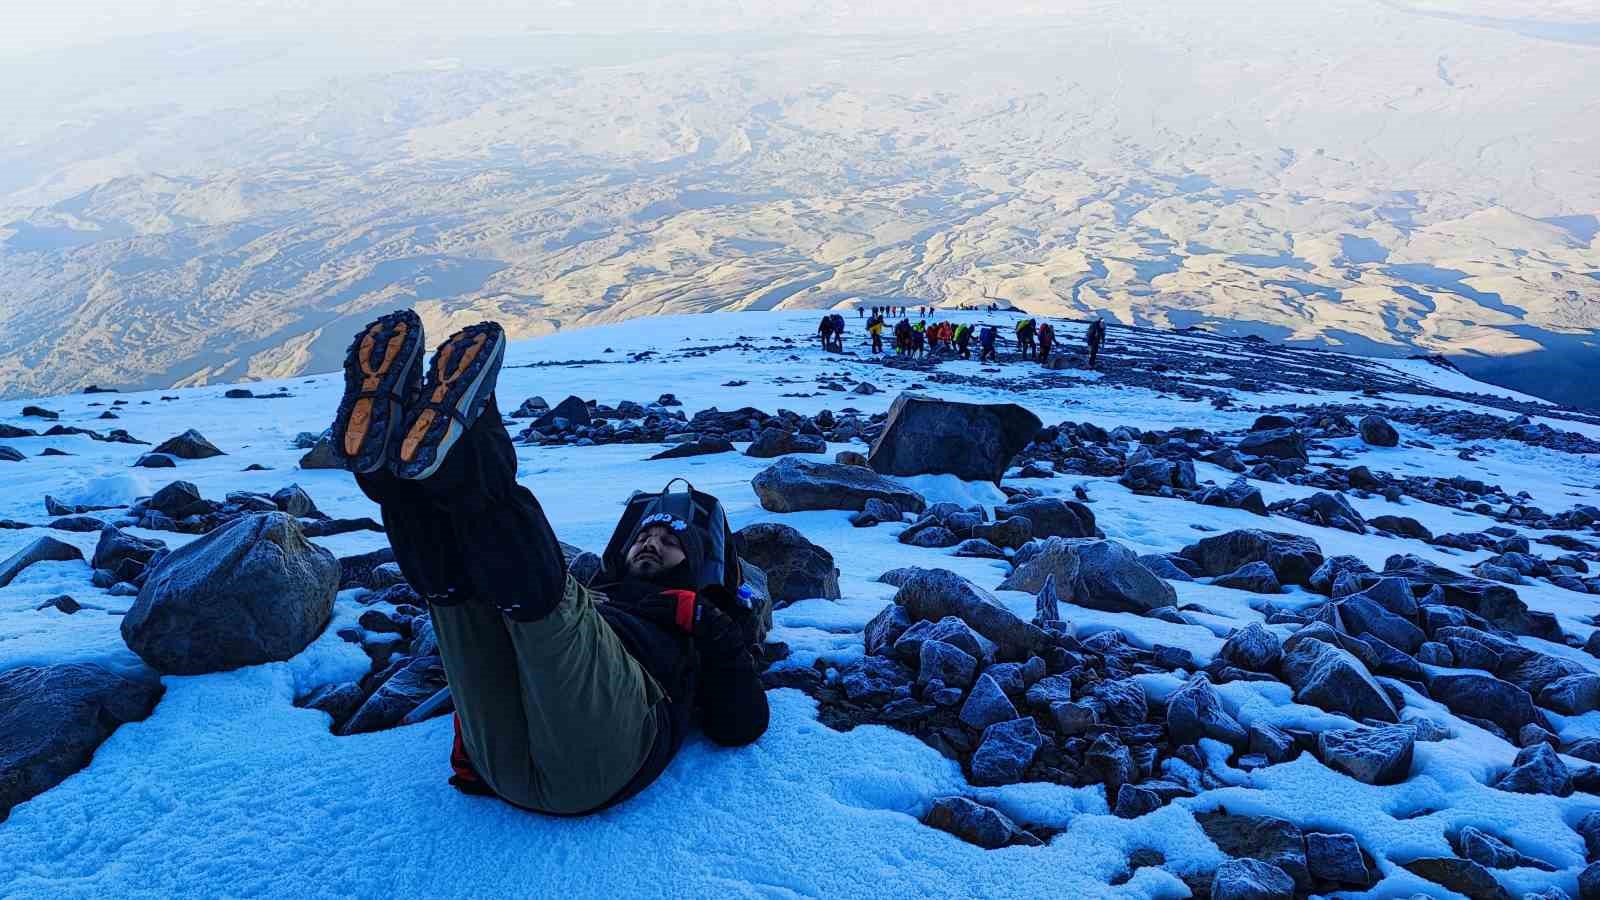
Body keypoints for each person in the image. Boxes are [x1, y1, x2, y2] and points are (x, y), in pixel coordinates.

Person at [329, 310, 768, 816]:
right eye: (644, 536)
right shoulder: (605, 594)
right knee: (459, 601)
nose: (651, 543)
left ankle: (475, 416)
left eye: (670, 541)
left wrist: (708, 622)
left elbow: (742, 726)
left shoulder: (693, 623)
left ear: (694, 562)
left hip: (605, 760)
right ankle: (391, 472)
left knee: (543, 604)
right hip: (500, 767)